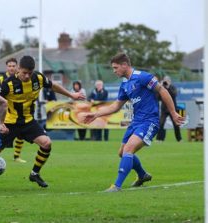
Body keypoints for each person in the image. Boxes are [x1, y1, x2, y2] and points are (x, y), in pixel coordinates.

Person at [78, 53, 184, 192]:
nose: (114, 71)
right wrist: (96, 114)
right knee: (122, 152)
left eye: (116, 68)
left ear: (125, 65)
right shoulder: (124, 84)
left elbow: (162, 90)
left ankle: (116, 186)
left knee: (129, 149)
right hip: (136, 122)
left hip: (149, 121)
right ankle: (142, 175)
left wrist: (173, 112)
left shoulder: (143, 77)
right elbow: (116, 106)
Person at [0, 55, 86, 187]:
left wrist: (71, 95)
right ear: (18, 69)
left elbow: (54, 85)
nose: (27, 76)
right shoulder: (7, 84)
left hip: (28, 121)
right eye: (24, 73)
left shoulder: (38, 78)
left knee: (46, 143)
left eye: (29, 73)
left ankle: (34, 173)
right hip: (10, 122)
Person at [0, 58, 26, 163]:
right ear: (6, 67)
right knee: (1, 135)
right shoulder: (1, 79)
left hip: (19, 111)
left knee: (21, 134)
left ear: (17, 67)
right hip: (5, 112)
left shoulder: (21, 77)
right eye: (9, 66)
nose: (11, 68)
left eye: (13, 66)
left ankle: (16, 156)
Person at [156, 76, 182, 142]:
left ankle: (179, 139)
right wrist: (160, 87)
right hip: (164, 109)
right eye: (165, 80)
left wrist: (168, 87)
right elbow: (158, 97)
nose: (166, 82)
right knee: (161, 124)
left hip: (172, 109)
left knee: (176, 124)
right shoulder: (161, 88)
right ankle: (159, 139)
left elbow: (174, 95)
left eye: (167, 80)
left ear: (170, 81)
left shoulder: (173, 87)